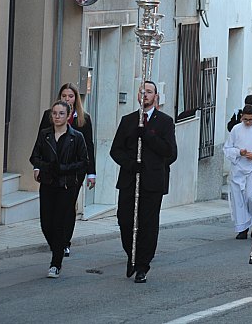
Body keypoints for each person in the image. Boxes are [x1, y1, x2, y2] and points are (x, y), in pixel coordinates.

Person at [110, 81, 177, 283]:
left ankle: (142, 265)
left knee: (147, 224)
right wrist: (130, 164)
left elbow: (170, 152)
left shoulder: (164, 122)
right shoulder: (128, 120)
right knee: (125, 220)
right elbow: (115, 150)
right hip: (130, 180)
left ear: (155, 96)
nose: (145, 94)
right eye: (142, 91)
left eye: (149, 92)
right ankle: (132, 255)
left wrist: (147, 136)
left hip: (152, 182)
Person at [30, 101, 88, 278]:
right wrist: (45, 166)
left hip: (66, 185)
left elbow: (83, 161)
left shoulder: (76, 137)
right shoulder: (45, 135)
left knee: (59, 223)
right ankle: (57, 247)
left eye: (61, 113)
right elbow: (34, 157)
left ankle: (56, 263)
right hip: (47, 183)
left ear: (68, 115)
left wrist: (64, 168)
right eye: (54, 113)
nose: (57, 116)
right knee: (46, 223)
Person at [38, 83, 96, 257]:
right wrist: (37, 166)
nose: (67, 99)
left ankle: (64, 242)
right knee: (51, 210)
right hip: (52, 170)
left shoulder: (83, 119)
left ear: (76, 98)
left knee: (68, 205)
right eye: (64, 96)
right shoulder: (49, 116)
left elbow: (89, 147)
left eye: (70, 96)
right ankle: (55, 241)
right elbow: (40, 144)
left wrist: (91, 173)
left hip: (74, 172)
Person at [224, 105, 252, 239]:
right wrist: (238, 152)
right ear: (241, 117)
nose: (247, 122)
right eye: (245, 119)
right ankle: (242, 227)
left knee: (251, 196)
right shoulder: (236, 129)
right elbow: (227, 148)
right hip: (238, 167)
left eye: (250, 120)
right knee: (238, 199)